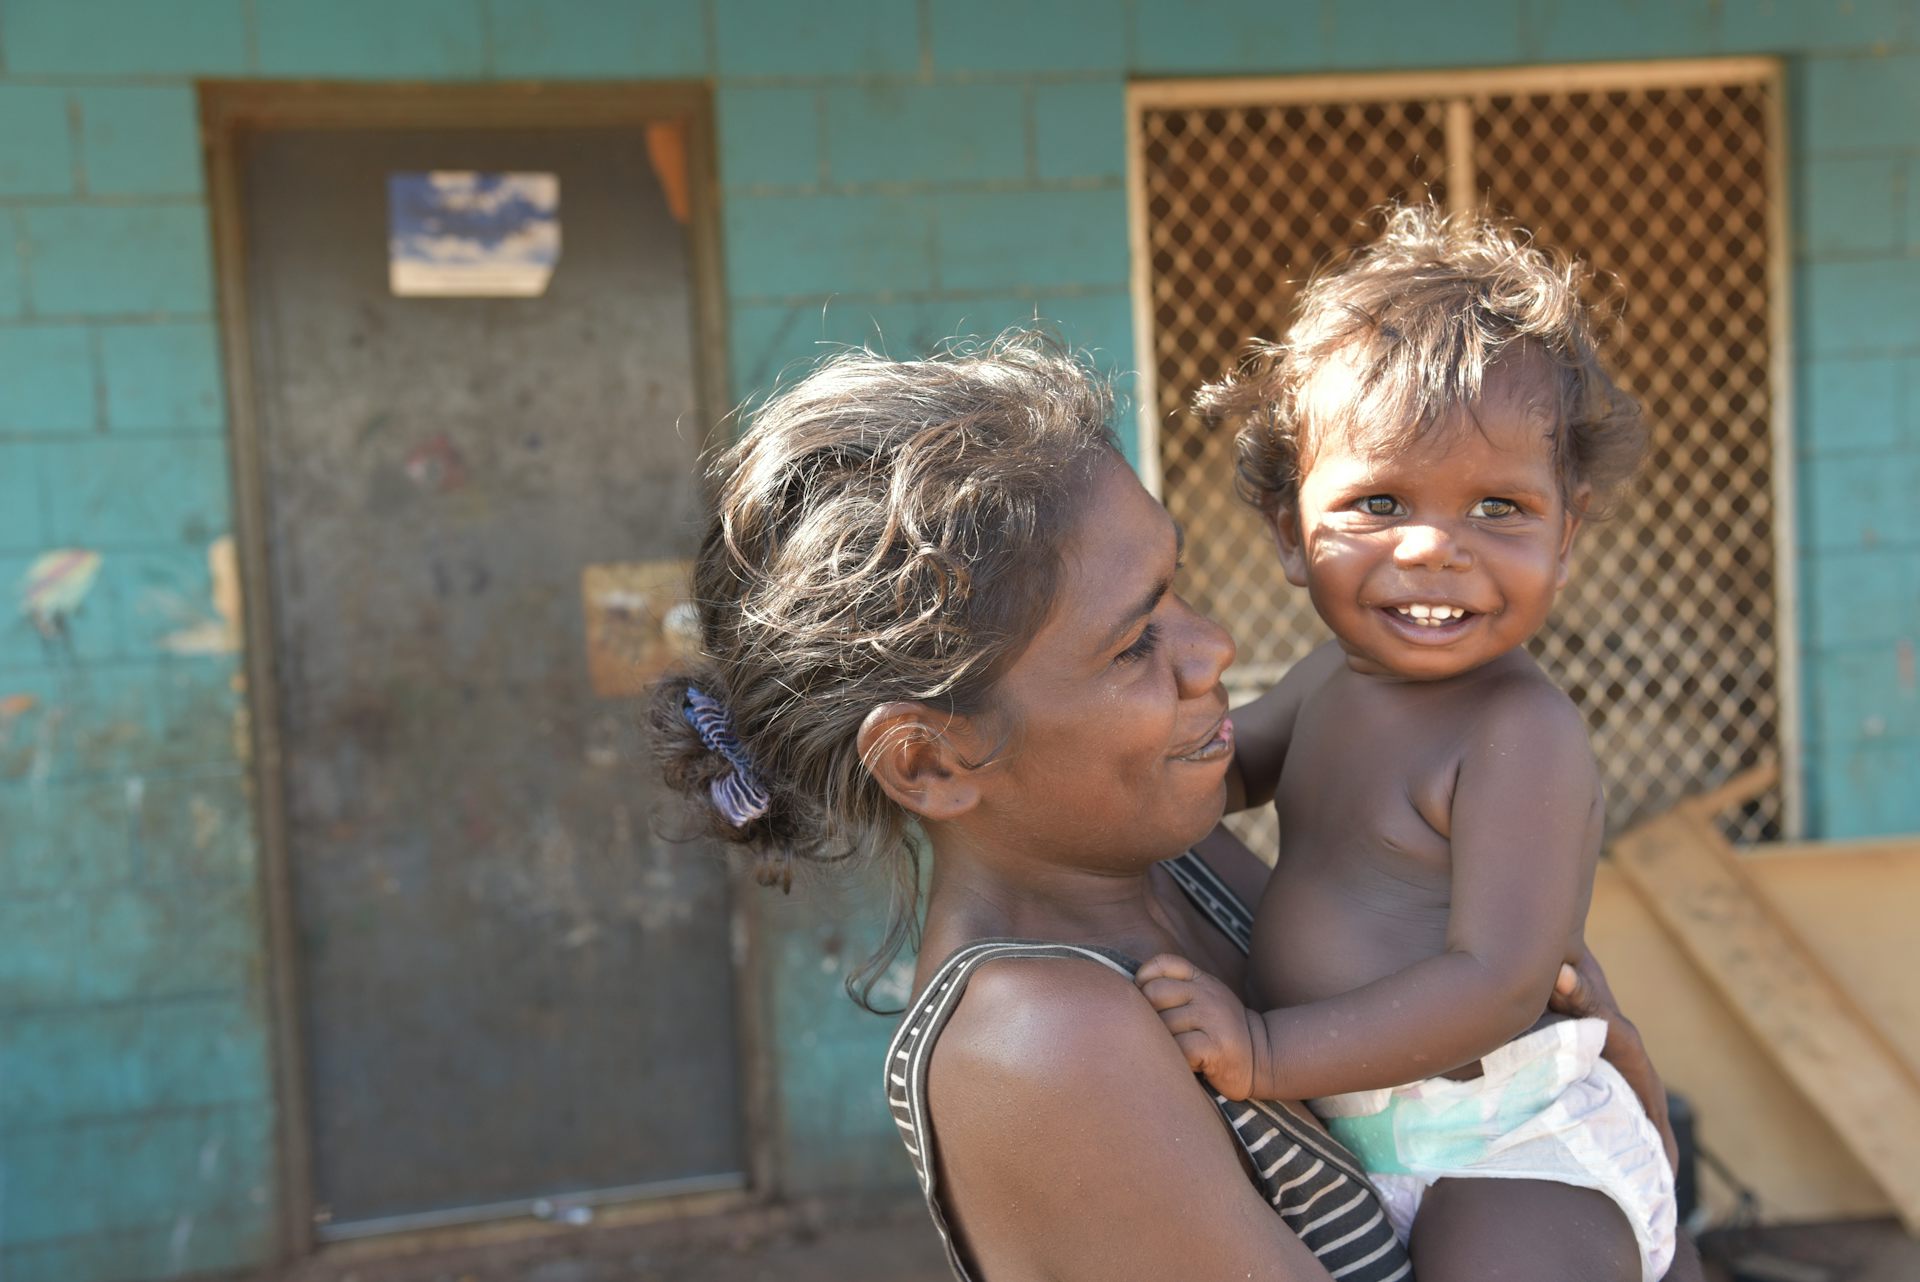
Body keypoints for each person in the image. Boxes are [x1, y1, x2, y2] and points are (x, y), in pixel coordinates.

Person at [650, 330, 1697, 1282]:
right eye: (1134, 641)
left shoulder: (1170, 861)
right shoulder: (1046, 1038)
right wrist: (1634, 1117)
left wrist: (1613, 1152)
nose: (1215, 651)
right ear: (929, 762)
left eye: (1177, 587)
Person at [1132, 205, 1674, 1282]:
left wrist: (1267, 1052)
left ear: (1565, 537)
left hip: (1514, 1150)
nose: (1436, 548)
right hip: (1368, 1131)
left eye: (1499, 507)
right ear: (1292, 534)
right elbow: (1220, 773)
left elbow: (1499, 981)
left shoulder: (1520, 733)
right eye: (1379, 502)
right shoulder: (1335, 677)